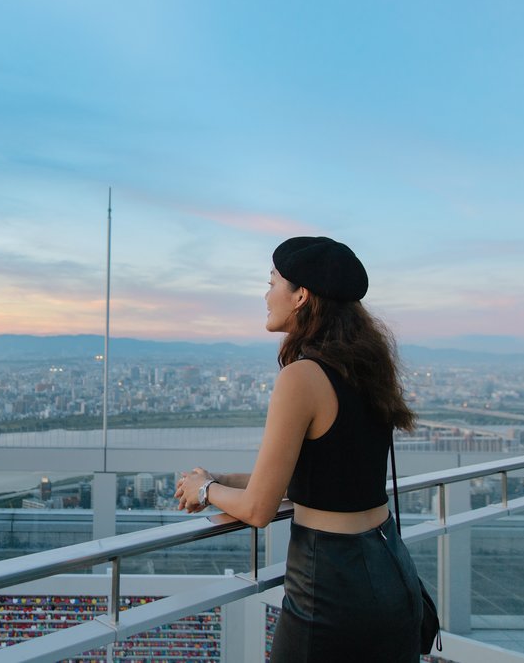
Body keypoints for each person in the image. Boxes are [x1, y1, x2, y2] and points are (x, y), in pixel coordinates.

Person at [175, 236, 423, 661]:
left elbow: (258, 510)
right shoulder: (365, 369)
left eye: (272, 282)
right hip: (391, 571)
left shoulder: (302, 377)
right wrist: (223, 479)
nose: (266, 294)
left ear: (301, 295)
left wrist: (203, 490)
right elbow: (326, 475)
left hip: (330, 585)